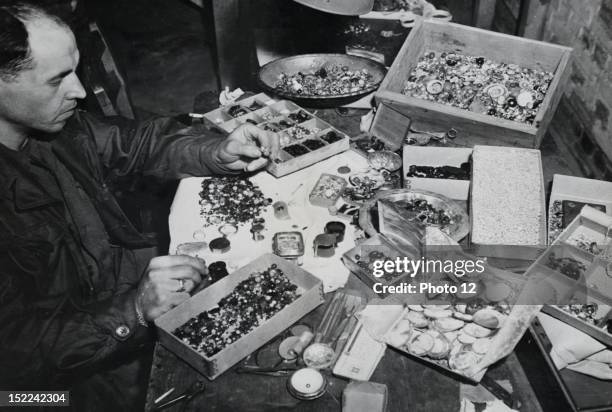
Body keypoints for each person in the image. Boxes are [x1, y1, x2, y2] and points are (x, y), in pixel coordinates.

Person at [0, 2, 279, 410]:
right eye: (57, 79)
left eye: (75, 70)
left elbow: (132, 142)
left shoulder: (46, 125)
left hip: (104, 279)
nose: (79, 91)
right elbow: (16, 361)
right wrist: (133, 310)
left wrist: (215, 150)